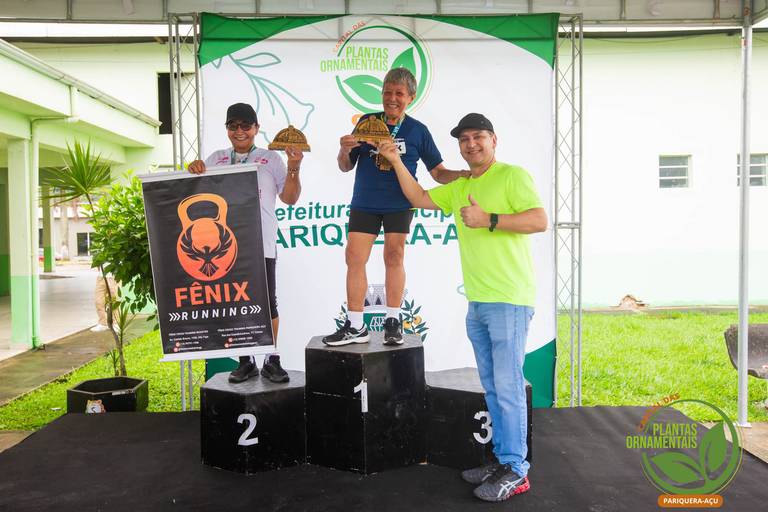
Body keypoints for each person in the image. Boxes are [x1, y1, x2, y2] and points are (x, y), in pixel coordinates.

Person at [376, 113, 547, 502]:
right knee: (493, 386)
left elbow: (539, 220)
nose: (471, 144)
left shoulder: (512, 176)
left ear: (494, 140)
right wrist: (397, 160)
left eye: (478, 137)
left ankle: (517, 470)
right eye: (465, 139)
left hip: (510, 300)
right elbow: (419, 198)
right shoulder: (461, 186)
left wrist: (489, 219)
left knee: (508, 386)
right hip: (479, 302)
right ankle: (503, 459)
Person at [322, 67, 467, 347]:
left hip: (400, 202)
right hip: (365, 201)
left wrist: (462, 174)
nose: (392, 98)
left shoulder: (418, 130)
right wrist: (344, 149)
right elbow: (345, 166)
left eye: (399, 93)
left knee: (394, 256)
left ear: (411, 97)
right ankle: (355, 325)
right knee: (354, 257)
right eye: (387, 92)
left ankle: (393, 320)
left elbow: (438, 172)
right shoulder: (367, 122)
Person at [187, 102, 303, 384]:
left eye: (245, 125)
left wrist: (294, 167)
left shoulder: (270, 159)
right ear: (227, 129)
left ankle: (272, 359)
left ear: (256, 128)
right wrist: (193, 170)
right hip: (224, 245)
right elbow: (193, 192)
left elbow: (290, 198)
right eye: (233, 125)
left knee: (267, 302)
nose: (239, 131)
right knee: (234, 302)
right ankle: (245, 360)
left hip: (261, 241)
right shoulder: (215, 159)